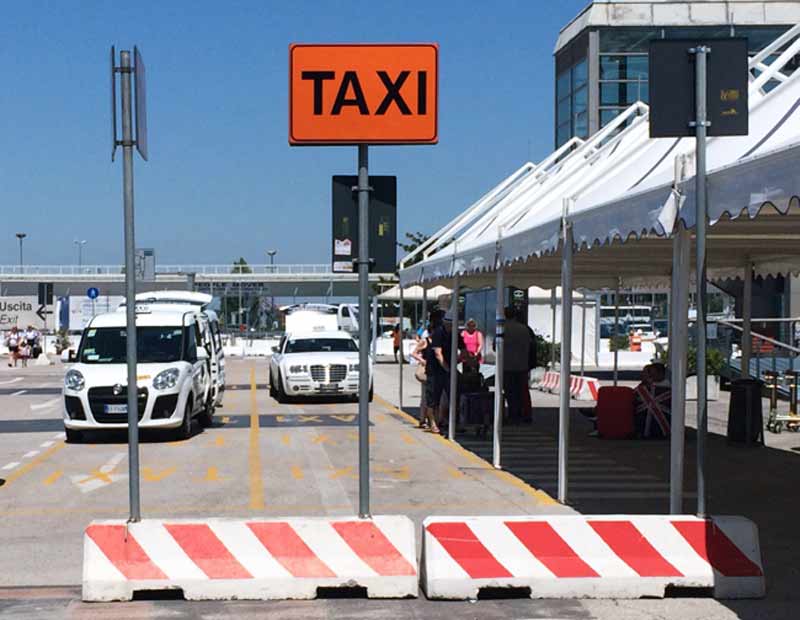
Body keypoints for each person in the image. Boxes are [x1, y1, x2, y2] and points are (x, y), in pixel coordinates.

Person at [431, 309, 463, 434]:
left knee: (454, 396)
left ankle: (454, 423)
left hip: (449, 369)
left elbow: (463, 349)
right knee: (435, 398)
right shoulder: (439, 333)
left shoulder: (456, 334)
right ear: (445, 323)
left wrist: (468, 360)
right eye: (450, 325)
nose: (452, 328)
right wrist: (448, 369)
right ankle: (434, 422)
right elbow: (438, 354)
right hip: (437, 370)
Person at [411, 311, 441, 434]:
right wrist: (423, 360)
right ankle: (425, 420)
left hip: (436, 371)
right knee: (426, 397)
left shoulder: (439, 342)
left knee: (434, 398)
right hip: (426, 371)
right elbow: (413, 353)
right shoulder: (425, 341)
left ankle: (431, 420)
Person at [502, 306, 531, 424]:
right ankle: (522, 414)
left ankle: (513, 414)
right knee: (522, 391)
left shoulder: (503, 329)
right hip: (522, 365)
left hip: (507, 365)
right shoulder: (524, 329)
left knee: (510, 392)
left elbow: (495, 346)